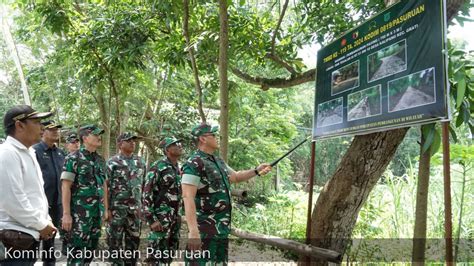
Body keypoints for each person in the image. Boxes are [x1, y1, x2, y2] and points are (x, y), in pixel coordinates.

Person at [181, 123, 272, 264]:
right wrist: (193, 231)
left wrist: (256, 170)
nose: (217, 137)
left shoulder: (218, 161)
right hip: (204, 230)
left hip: (221, 229)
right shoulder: (193, 163)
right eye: (213, 135)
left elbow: (235, 177)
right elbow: (188, 197)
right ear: (203, 139)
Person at [0, 105, 57, 265]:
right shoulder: (7, 153)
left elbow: (35, 194)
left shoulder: (28, 152)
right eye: (37, 121)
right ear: (19, 125)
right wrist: (41, 224)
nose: (42, 127)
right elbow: (12, 200)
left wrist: (46, 219)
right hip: (13, 238)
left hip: (27, 235)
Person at [60, 124, 108, 265]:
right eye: (96, 135)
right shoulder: (73, 158)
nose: (99, 137)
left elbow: (104, 185)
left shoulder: (100, 160)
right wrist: (66, 214)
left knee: (90, 251)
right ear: (85, 138)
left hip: (95, 215)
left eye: (99, 134)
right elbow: (66, 187)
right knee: (77, 253)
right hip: (79, 215)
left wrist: (105, 209)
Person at [105, 132, 145, 265]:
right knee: (114, 242)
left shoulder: (140, 162)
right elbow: (105, 187)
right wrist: (107, 210)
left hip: (135, 211)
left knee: (133, 242)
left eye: (134, 141)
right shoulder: (112, 162)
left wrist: (143, 207)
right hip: (117, 210)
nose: (133, 143)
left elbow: (143, 186)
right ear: (120, 144)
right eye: (129, 141)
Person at [143, 137, 183, 264]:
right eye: (174, 144)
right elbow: (146, 193)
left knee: (170, 250)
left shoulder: (179, 168)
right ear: (167, 150)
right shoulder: (158, 166)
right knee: (155, 253)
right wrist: (151, 219)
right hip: (160, 218)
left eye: (179, 144)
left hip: (175, 218)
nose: (179, 146)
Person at [32, 120, 66, 265]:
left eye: (57, 129)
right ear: (42, 131)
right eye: (51, 129)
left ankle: (49, 263)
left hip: (57, 203)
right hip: (39, 203)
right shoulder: (34, 151)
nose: (55, 132)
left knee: (50, 239)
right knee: (32, 239)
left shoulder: (60, 153)